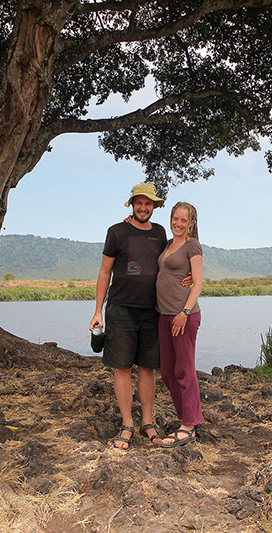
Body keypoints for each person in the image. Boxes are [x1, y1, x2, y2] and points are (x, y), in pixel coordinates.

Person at [90, 183, 168, 449]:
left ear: (154, 207)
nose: (143, 208)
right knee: (121, 368)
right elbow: (104, 272)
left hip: (152, 311)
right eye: (139, 203)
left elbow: (170, 262)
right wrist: (98, 310)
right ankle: (127, 424)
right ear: (132, 205)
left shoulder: (159, 233)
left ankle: (148, 422)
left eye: (148, 204)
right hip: (121, 309)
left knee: (147, 368)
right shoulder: (116, 232)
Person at [156, 201, 204, 447]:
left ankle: (189, 424)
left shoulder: (192, 245)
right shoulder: (166, 245)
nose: (178, 223)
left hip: (183, 316)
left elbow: (198, 283)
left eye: (184, 220)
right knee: (167, 372)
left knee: (184, 369)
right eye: (176, 218)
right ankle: (185, 417)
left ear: (191, 224)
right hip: (164, 315)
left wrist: (185, 311)